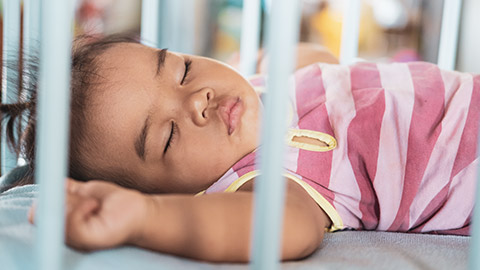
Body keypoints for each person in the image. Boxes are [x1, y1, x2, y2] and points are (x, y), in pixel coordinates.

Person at [1, 34, 479, 262]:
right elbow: (277, 229)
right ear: (173, 193)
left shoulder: (252, 89)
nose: (197, 101)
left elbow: (315, 61)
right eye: (166, 136)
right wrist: (145, 216)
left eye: (182, 68)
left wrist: (272, 58)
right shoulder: (265, 181)